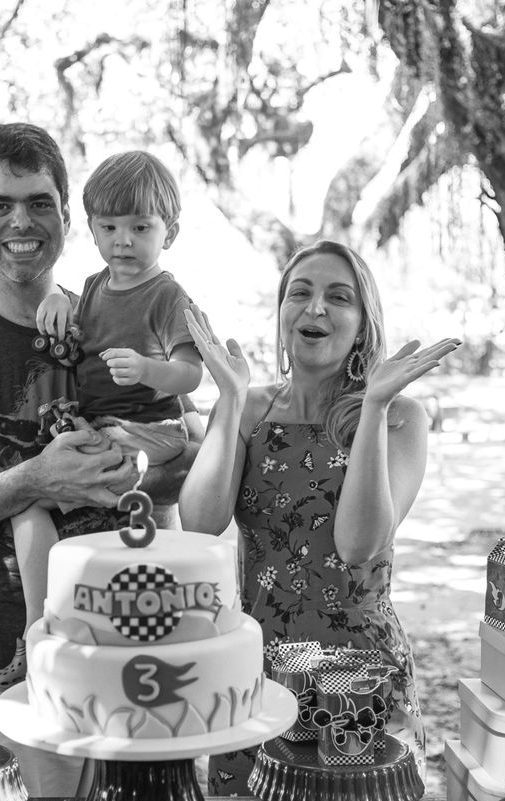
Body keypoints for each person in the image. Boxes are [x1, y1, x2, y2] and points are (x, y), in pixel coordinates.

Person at [0, 122, 199, 796]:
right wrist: (33, 481)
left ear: (65, 214)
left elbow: (184, 457)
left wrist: (133, 471)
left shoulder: (116, 321)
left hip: (132, 633)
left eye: (38, 202)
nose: (20, 221)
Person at [178, 239, 460, 794]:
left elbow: (359, 545)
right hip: (258, 674)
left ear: (363, 322)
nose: (316, 308)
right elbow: (201, 522)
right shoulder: (248, 407)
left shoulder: (399, 416)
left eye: (339, 297)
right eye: (299, 293)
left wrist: (374, 406)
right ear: (281, 312)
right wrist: (229, 397)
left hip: (361, 678)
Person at [0, 150, 203, 690]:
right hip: (100, 424)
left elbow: (190, 375)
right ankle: (38, 628)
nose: (123, 241)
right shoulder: (90, 288)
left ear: (170, 233)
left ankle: (136, 615)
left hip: (152, 430)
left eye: (140, 227)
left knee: (113, 470)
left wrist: (149, 369)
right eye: (109, 227)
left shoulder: (167, 295)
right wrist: (61, 305)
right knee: (28, 501)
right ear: (90, 229)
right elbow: (74, 339)